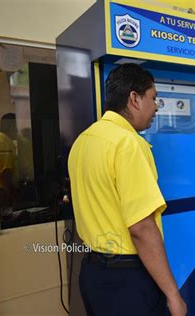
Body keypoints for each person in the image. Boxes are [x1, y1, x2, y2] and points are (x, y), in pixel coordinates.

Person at [68, 64, 186, 316]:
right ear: (134, 98)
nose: (156, 107)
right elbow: (141, 228)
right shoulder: (128, 144)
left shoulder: (82, 141)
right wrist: (173, 294)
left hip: (92, 274)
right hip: (128, 281)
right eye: (153, 98)